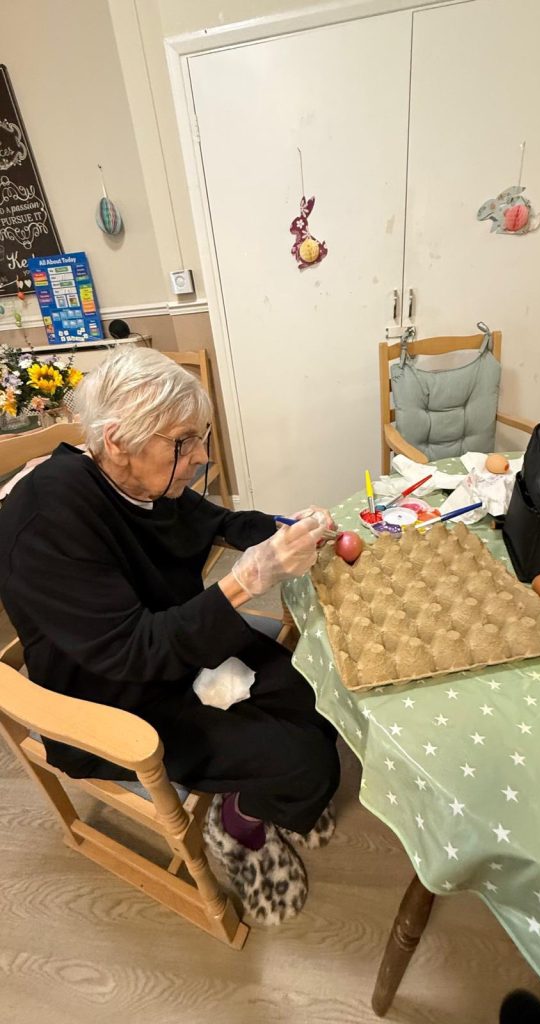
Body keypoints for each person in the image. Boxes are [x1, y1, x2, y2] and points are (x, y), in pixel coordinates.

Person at [0, 347, 340, 925]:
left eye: (201, 437)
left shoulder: (140, 481)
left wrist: (292, 532)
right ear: (116, 441)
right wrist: (246, 580)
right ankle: (237, 825)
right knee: (308, 762)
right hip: (111, 695)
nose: (200, 456)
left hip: (177, 646)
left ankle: (261, 792)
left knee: (320, 695)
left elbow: (220, 522)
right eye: (184, 441)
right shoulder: (44, 521)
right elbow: (132, 652)